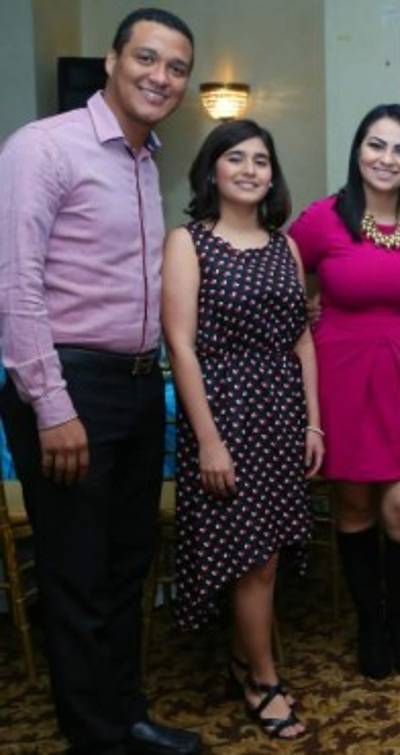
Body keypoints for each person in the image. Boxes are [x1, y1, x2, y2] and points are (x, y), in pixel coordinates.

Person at [0, 9, 202, 754]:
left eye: (176, 68)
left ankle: (127, 715)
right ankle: (95, 736)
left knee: (125, 566)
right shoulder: (43, 148)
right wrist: (51, 405)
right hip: (71, 386)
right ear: (113, 60)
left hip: (138, 386)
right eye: (147, 59)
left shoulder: (146, 160)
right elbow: (15, 287)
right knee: (77, 573)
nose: (161, 77)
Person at [163, 119, 317, 740]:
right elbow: (179, 343)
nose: (252, 169)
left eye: (262, 160)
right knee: (250, 557)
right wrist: (206, 439)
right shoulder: (189, 241)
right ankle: (262, 677)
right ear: (213, 170)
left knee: (268, 555)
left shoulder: (286, 245)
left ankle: (245, 660)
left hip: (281, 412)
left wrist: (317, 423)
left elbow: (302, 337)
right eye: (237, 158)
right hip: (222, 411)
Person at [287, 104, 400, 680]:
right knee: (353, 508)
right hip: (341, 377)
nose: (387, 159)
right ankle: (369, 623)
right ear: (358, 151)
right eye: (376, 145)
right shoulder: (323, 218)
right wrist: (302, 314)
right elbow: (280, 273)